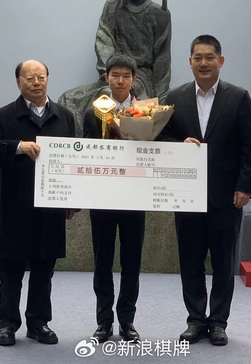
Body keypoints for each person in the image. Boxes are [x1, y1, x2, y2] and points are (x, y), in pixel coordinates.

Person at [158, 35, 251, 346]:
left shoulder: (238, 97)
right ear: (190, 62)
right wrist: (180, 144)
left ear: (220, 61)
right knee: (190, 261)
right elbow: (159, 139)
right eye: (198, 58)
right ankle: (195, 320)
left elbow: (249, 146)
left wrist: (245, 186)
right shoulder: (173, 97)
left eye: (210, 57)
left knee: (224, 263)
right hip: (186, 194)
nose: (204, 63)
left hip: (226, 195)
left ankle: (218, 322)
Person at [0, 60, 77, 347]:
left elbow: (75, 159)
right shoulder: (4, 115)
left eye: (41, 77)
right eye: (30, 78)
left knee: (44, 269)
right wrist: (17, 147)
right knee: (11, 270)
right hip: (15, 205)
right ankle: (7, 324)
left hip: (51, 206)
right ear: (18, 82)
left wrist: (72, 202)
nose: (36, 82)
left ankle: (39, 323)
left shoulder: (64, 116)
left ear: (48, 79)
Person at [58, 0, 172, 136]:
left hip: (139, 77)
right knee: (69, 99)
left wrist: (160, 98)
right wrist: (110, 73)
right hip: (112, 73)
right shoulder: (112, 7)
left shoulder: (159, 14)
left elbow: (162, 59)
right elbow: (104, 40)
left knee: (112, 99)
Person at [82, 53, 145, 343]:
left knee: (132, 262)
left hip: (135, 196)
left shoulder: (146, 111)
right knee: (102, 261)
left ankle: (127, 321)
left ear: (134, 79)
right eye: (115, 75)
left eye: (126, 76)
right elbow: (86, 151)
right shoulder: (93, 112)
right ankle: (104, 322)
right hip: (103, 198)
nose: (120, 80)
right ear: (107, 78)